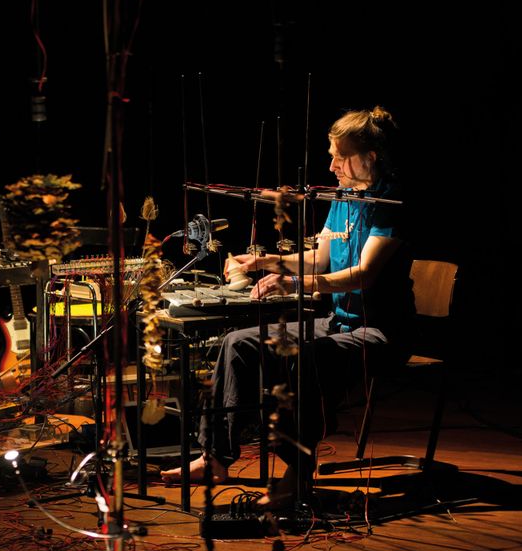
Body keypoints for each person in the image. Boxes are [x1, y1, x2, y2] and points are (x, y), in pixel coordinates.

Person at [160, 106, 414, 505]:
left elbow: (364, 274)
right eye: (331, 156)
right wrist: (264, 261)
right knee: (238, 343)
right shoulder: (343, 197)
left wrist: (291, 282)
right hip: (339, 322)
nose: (331, 166)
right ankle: (215, 458)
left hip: (380, 331)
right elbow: (319, 259)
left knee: (303, 358)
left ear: (370, 157)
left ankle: (298, 475)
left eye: (340, 157)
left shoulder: (389, 202)